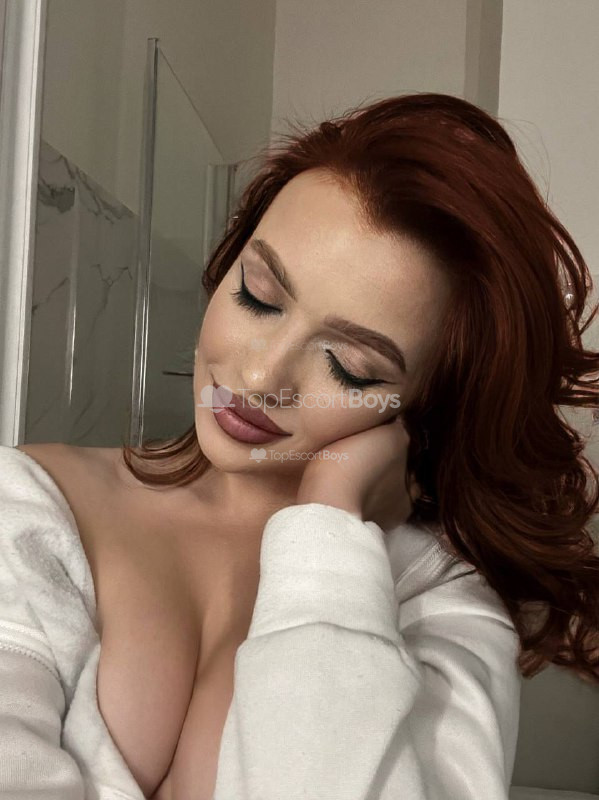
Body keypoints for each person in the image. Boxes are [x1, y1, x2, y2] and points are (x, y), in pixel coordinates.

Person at [1, 91, 598, 800]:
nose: (260, 377)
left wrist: (330, 519)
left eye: (350, 368)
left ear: (422, 406)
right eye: (257, 295)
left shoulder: (435, 597)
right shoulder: (30, 508)